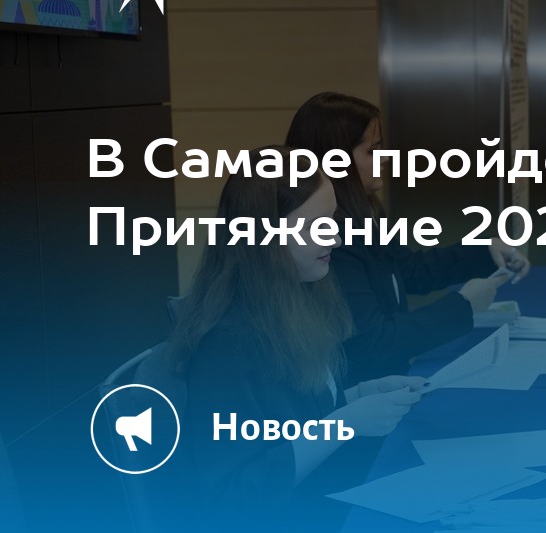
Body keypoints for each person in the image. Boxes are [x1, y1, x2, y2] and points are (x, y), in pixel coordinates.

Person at [168, 147, 426, 530]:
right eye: (317, 225)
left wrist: (357, 396)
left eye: (333, 220)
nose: (336, 238)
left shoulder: (293, 300)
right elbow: (233, 498)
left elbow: (289, 417)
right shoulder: (227, 343)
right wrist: (345, 422)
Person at [286, 93, 527, 383]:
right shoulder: (329, 239)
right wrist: (462, 306)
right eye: (372, 150)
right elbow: (373, 342)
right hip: (364, 390)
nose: (385, 158)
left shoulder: (365, 210)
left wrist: (484, 249)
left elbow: (410, 270)